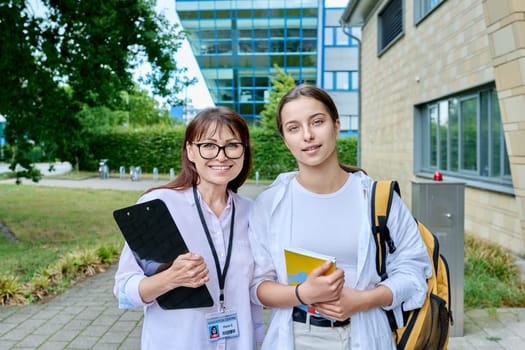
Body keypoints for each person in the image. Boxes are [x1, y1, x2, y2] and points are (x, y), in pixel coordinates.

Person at [248, 84, 432, 349]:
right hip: (297, 337)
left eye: (317, 122)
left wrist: (363, 300)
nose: (307, 135)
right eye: (294, 128)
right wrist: (302, 293)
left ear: (336, 125)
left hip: (367, 334)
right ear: (285, 138)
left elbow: (414, 270)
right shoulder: (270, 204)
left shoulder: (378, 198)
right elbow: (258, 285)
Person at [114, 106, 264, 349]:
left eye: (233, 145)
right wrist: (170, 278)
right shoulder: (159, 205)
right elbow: (124, 290)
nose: (221, 156)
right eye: (209, 145)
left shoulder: (252, 212)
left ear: (244, 152)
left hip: (238, 342)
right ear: (190, 151)